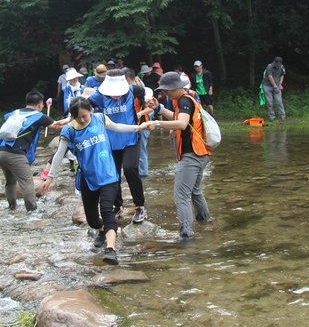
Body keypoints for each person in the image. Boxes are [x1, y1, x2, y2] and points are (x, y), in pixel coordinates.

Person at [40, 97, 147, 265]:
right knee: (92, 220)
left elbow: (118, 127)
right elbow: (59, 154)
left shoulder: (100, 118)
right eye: (78, 117)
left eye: (85, 115)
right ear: (73, 116)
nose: (83, 120)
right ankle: (103, 230)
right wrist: (50, 177)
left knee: (107, 210)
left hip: (109, 175)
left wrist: (138, 127)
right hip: (88, 178)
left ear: (90, 111)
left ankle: (111, 250)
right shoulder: (69, 131)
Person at [145, 71, 213, 241]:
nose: (165, 93)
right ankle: (205, 221)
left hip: (191, 156)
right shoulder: (188, 98)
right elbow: (178, 118)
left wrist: (156, 123)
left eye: (167, 90)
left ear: (176, 88)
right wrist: (159, 109)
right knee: (195, 191)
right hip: (201, 153)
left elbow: (181, 124)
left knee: (181, 196)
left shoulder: (183, 101)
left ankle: (186, 234)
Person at [88, 70, 148, 224]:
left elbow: (147, 95)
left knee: (129, 169)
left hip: (131, 138)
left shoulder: (133, 90)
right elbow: (84, 106)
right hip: (109, 141)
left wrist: (146, 109)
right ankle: (118, 206)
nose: (116, 95)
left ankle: (140, 206)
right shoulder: (100, 96)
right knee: (113, 174)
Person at [0, 91, 63, 211]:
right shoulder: (39, 116)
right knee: (27, 182)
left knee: (10, 181)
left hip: (0, 152)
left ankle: (12, 207)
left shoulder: (14, 113)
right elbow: (57, 126)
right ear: (40, 105)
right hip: (15, 155)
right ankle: (32, 212)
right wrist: (72, 119)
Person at [263, 56, 286, 121]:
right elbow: (270, 77)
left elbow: (282, 75)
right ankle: (272, 117)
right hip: (267, 86)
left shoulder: (281, 66)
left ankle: (283, 117)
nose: (278, 66)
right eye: (277, 64)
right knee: (270, 102)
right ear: (274, 62)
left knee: (279, 101)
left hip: (277, 86)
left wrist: (280, 84)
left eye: (279, 64)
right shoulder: (269, 66)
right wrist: (275, 86)